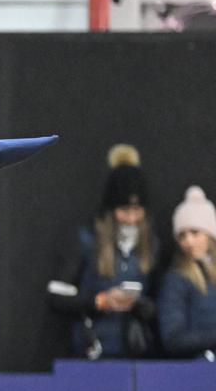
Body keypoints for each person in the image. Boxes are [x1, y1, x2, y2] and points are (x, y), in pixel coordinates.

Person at [47, 144, 159, 359]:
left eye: (137, 211)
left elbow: (161, 300)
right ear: (111, 210)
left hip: (135, 353)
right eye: (124, 210)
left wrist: (143, 307)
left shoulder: (151, 245)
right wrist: (99, 301)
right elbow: (56, 296)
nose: (131, 219)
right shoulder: (87, 240)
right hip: (92, 353)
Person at [156, 186, 216, 358]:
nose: (188, 241)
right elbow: (173, 338)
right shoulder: (176, 280)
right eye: (182, 236)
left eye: (195, 233)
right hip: (196, 371)